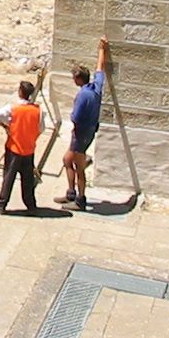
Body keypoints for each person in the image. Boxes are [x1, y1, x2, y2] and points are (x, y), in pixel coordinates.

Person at [60, 36, 109, 211]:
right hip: (89, 132)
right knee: (67, 160)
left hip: (80, 134)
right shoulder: (96, 87)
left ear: (78, 79)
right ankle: (71, 192)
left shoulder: (82, 95)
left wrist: (72, 118)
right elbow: (100, 69)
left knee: (78, 166)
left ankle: (80, 199)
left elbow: (76, 117)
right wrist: (102, 50)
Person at [0, 80, 45, 214]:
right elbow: (41, 128)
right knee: (27, 180)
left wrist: (6, 126)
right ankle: (31, 206)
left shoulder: (13, 109)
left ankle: (1, 204)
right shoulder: (38, 111)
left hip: (14, 149)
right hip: (29, 150)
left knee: (9, 177)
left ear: (20, 93)